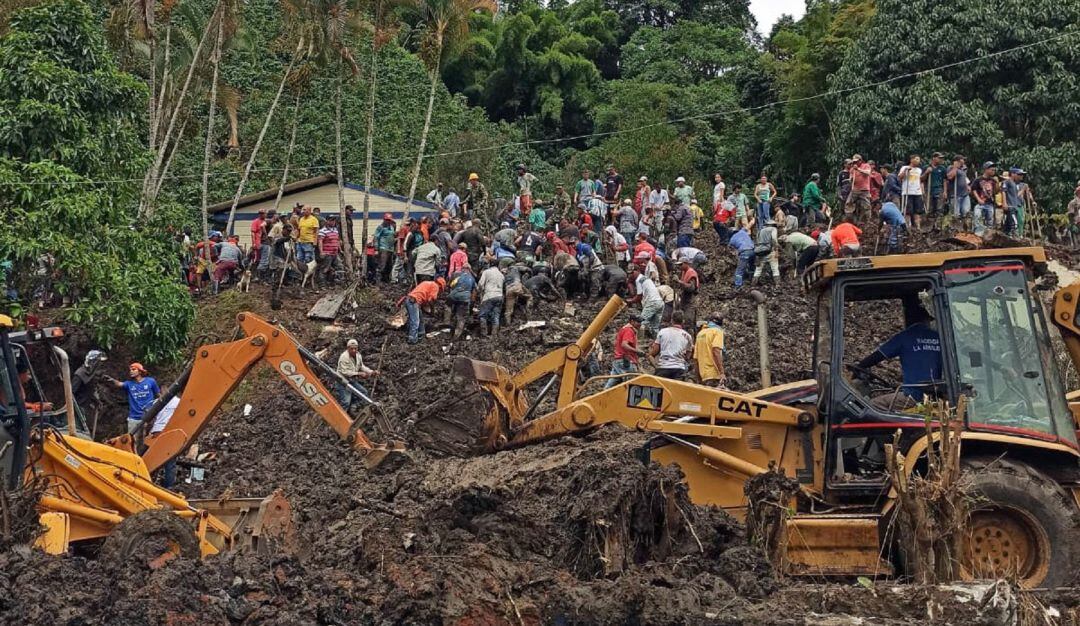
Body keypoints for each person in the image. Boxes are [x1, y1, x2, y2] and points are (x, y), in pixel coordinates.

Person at [853, 305, 942, 412]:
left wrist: (859, 366)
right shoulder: (938, 337)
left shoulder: (905, 336)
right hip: (936, 395)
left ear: (908, 319)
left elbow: (877, 356)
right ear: (926, 320)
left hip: (913, 396)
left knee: (869, 407)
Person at [106, 363, 161, 434]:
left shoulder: (150, 381)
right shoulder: (129, 384)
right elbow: (119, 384)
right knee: (132, 440)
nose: (131, 371)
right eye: (130, 370)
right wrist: (112, 380)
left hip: (149, 417)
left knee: (147, 440)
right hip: (134, 418)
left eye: (134, 369)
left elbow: (159, 396)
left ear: (140, 371)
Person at [335, 339, 378, 412]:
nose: (354, 350)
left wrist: (371, 372)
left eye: (355, 348)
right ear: (348, 348)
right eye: (351, 348)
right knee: (345, 402)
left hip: (351, 381)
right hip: (342, 382)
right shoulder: (344, 357)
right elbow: (345, 372)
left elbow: (361, 366)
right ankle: (341, 420)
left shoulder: (358, 355)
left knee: (364, 393)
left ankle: (353, 407)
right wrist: (359, 374)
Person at [649, 311, 692, 380]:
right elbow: (687, 357)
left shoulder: (662, 332)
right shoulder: (688, 336)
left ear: (672, 320)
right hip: (679, 369)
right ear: (683, 321)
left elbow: (654, 353)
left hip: (663, 368)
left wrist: (656, 366)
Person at [606, 314, 645, 389]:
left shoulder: (625, 329)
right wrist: (637, 351)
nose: (640, 324)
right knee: (633, 385)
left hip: (619, 360)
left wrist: (639, 353)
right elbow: (624, 345)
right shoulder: (629, 330)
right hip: (625, 361)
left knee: (609, 386)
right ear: (632, 321)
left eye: (641, 322)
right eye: (638, 322)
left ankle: (602, 398)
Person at [404, 277, 445, 344]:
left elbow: (423, 297)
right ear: (441, 286)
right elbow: (431, 300)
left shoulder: (427, 283)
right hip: (414, 302)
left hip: (411, 300)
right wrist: (432, 310)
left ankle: (421, 335)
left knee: (420, 320)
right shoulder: (435, 286)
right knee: (415, 322)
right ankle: (412, 340)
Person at [630, 267, 664, 337]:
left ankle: (638, 341)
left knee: (640, 322)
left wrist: (630, 301)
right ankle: (656, 342)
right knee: (655, 326)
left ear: (637, 271)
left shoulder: (639, 280)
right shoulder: (646, 278)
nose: (631, 275)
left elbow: (639, 296)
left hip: (652, 302)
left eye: (632, 273)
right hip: (659, 302)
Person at [694, 313, 726, 388]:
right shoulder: (717, 331)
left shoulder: (700, 334)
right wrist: (721, 373)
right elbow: (716, 351)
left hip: (703, 376)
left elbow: (695, 359)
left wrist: (698, 378)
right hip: (714, 374)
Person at [446, 265, 476, 338]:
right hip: (464, 298)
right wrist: (472, 304)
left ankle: (447, 323)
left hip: (453, 296)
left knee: (448, 307)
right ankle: (456, 335)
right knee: (461, 317)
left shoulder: (457, 275)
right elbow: (474, 292)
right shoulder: (472, 278)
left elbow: (450, 285)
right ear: (469, 270)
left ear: (462, 269)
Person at [971, 161, 1000, 234]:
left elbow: (996, 192)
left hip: (990, 203)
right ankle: (977, 233)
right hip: (980, 203)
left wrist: (997, 183)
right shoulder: (978, 179)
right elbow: (973, 190)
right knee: (977, 217)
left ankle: (989, 235)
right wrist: (978, 199)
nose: (993, 171)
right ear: (986, 169)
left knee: (990, 220)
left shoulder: (993, 180)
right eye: (992, 169)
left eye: (994, 170)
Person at [477, 264, 505, 336]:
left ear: (489, 265)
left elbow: (480, 284)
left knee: (483, 315)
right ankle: (494, 335)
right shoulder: (501, 275)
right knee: (496, 316)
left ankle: (484, 334)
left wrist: (480, 292)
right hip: (499, 296)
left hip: (489, 296)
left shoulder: (486, 272)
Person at [898, 155, 925, 230]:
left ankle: (918, 227)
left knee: (917, 211)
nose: (918, 161)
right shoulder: (904, 167)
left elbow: (920, 180)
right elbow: (900, 177)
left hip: (917, 192)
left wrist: (922, 191)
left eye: (919, 159)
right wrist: (906, 171)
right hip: (907, 192)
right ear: (911, 160)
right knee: (907, 211)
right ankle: (907, 226)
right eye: (916, 159)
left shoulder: (919, 170)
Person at [752, 219, 780, 285]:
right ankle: (778, 285)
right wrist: (776, 250)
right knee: (775, 269)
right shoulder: (773, 229)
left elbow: (757, 241)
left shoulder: (760, 230)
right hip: (770, 251)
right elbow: (774, 239)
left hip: (760, 252)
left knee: (758, 270)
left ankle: (753, 284)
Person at [729, 219, 755, 288]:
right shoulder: (742, 231)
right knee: (751, 267)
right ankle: (752, 280)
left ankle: (738, 285)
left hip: (744, 252)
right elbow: (749, 225)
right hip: (753, 250)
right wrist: (752, 220)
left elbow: (733, 251)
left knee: (739, 270)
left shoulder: (732, 240)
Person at [316, 215, 343, 285]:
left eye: (334, 220)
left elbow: (337, 240)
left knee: (339, 267)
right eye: (331, 220)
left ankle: (338, 282)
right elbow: (320, 242)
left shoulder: (335, 230)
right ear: (327, 221)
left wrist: (340, 249)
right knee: (325, 269)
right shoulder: (322, 231)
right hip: (327, 253)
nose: (333, 222)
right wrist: (321, 252)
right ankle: (322, 284)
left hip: (335, 253)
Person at [945, 155, 971, 220]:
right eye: (962, 160)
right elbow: (949, 177)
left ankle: (964, 228)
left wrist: (967, 186)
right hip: (955, 195)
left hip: (964, 194)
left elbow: (964, 178)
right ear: (957, 161)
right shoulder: (950, 167)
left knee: (966, 213)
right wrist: (955, 168)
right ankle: (955, 228)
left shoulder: (963, 169)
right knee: (955, 215)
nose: (964, 161)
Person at [373, 214, 397, 283]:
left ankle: (385, 280)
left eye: (389, 220)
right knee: (382, 265)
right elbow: (376, 238)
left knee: (389, 266)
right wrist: (376, 249)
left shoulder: (392, 227)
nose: (388, 221)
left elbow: (392, 236)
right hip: (383, 248)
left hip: (390, 249)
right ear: (384, 220)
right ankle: (378, 280)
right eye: (387, 220)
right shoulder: (381, 227)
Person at [847, 156, 872, 221]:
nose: (855, 163)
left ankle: (867, 220)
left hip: (864, 190)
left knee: (866, 206)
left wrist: (858, 169)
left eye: (856, 161)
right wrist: (851, 179)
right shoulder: (852, 169)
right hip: (855, 189)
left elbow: (868, 173)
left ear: (860, 160)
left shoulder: (866, 166)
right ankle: (850, 219)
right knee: (849, 203)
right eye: (854, 162)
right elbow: (851, 178)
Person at [923, 152, 947, 217]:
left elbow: (945, 180)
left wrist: (945, 191)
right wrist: (926, 172)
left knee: (939, 209)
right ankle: (929, 224)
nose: (941, 160)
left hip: (939, 189)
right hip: (928, 189)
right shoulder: (926, 167)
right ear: (934, 158)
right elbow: (921, 179)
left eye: (942, 158)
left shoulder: (942, 168)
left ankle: (938, 224)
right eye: (939, 158)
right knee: (929, 208)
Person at [1002, 167, 1025, 236]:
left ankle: (1006, 237)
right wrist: (1004, 203)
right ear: (1013, 174)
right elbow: (1003, 192)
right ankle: (1014, 238)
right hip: (1010, 207)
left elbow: (1016, 195)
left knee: (1008, 225)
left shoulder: (1014, 184)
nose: (1021, 176)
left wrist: (1023, 189)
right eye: (1019, 174)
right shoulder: (1007, 182)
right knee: (1014, 224)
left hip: (1015, 207)